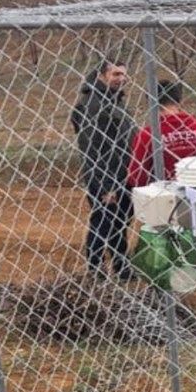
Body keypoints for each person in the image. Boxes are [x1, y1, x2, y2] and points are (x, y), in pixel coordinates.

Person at [127, 81, 196, 324]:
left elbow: (137, 175)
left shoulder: (149, 134)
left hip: (166, 204)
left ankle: (167, 311)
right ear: (179, 99)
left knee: (158, 255)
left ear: (151, 104)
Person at [71, 60, 136, 281]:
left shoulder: (114, 101)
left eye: (123, 74)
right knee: (104, 221)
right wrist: (106, 186)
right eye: (116, 74)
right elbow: (92, 149)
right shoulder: (93, 105)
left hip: (122, 172)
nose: (121, 78)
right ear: (101, 75)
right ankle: (95, 268)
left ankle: (121, 265)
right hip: (105, 176)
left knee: (119, 222)